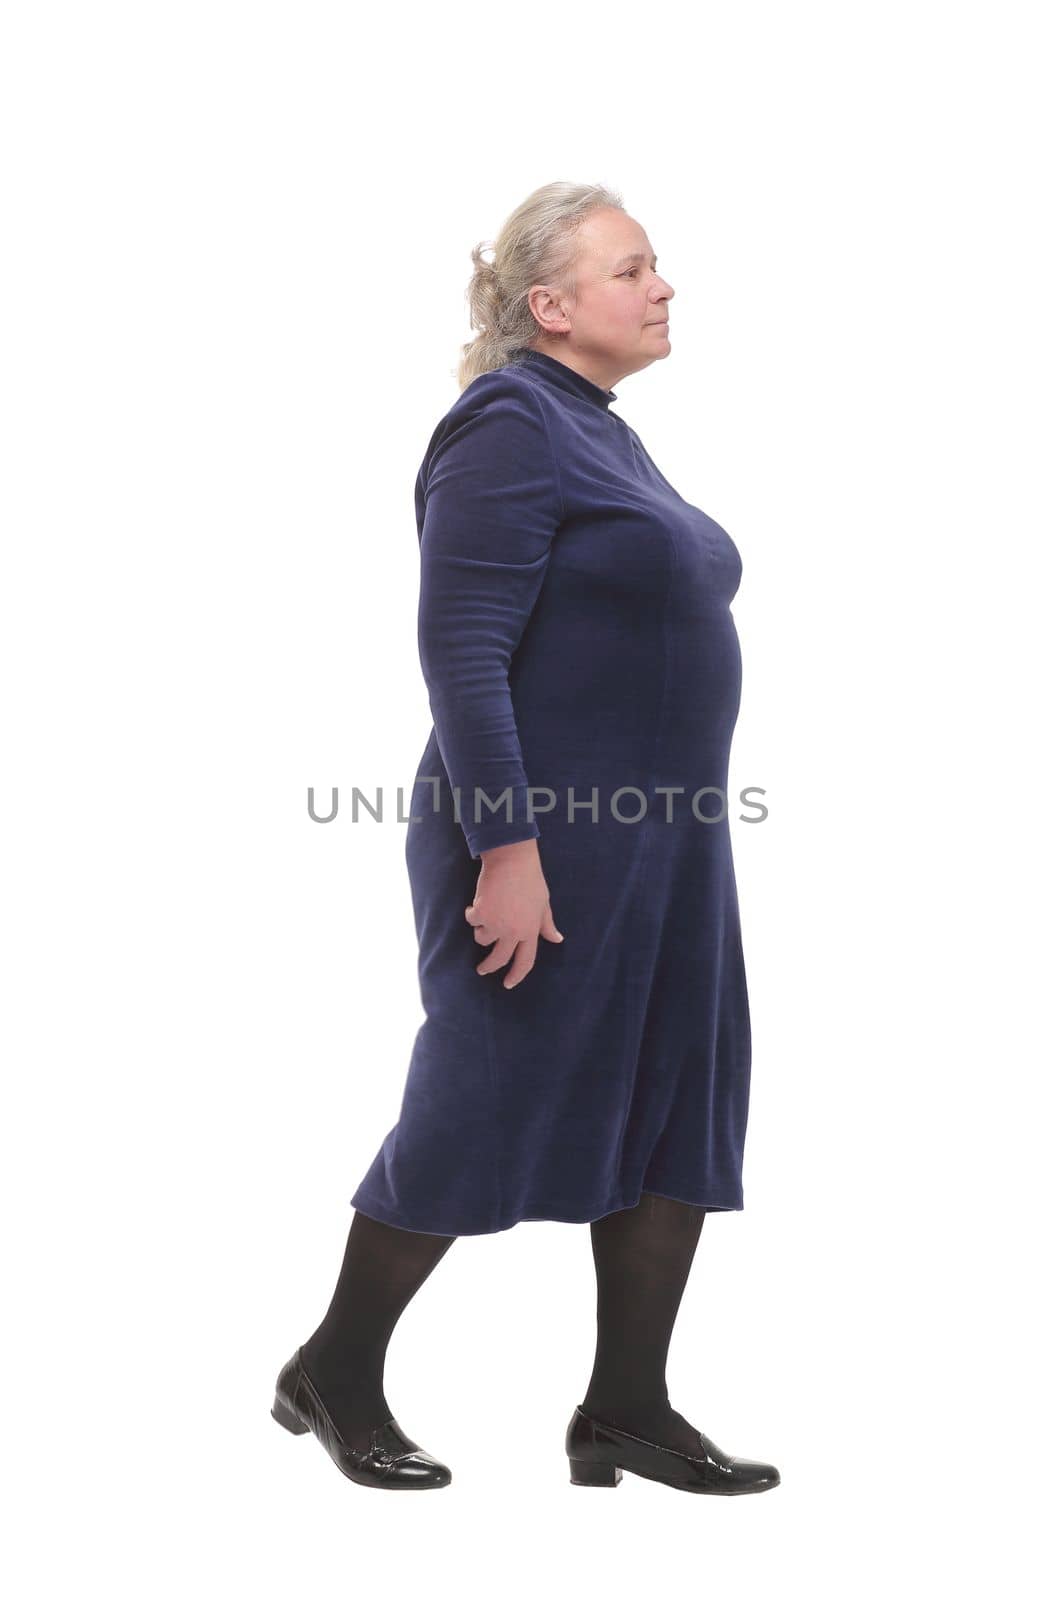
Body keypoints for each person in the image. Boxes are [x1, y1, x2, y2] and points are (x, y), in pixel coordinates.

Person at [272, 181, 780, 1496]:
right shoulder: (508, 421)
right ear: (550, 308)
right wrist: (507, 847)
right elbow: (461, 645)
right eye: (633, 269)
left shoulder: (602, 434)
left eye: (658, 267)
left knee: (682, 1095)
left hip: (666, 844)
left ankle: (625, 1407)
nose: (663, 288)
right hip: (540, 843)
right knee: (484, 1094)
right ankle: (336, 1366)